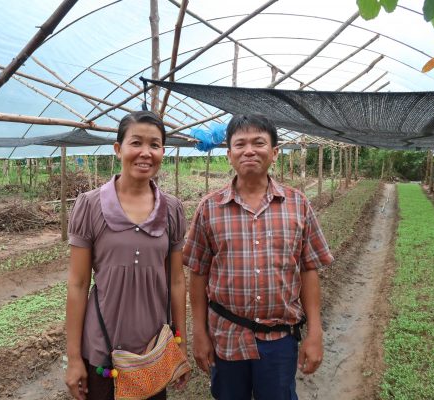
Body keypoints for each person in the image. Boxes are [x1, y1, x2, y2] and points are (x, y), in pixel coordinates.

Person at [184, 114, 333, 400]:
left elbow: (309, 270)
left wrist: (315, 332)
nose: (249, 150)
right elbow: (198, 274)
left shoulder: (298, 204)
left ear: (274, 152)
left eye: (258, 143)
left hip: (279, 339)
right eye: (240, 144)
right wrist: (199, 334)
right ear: (229, 154)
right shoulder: (210, 208)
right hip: (226, 336)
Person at [65, 110, 189, 400]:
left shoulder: (171, 210)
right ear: (118, 149)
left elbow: (177, 282)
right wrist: (73, 359)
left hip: (153, 349)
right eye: (136, 143)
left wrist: (180, 343)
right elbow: (78, 284)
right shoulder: (90, 206)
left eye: (155, 145)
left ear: (163, 151)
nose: (146, 153)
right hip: (101, 351)